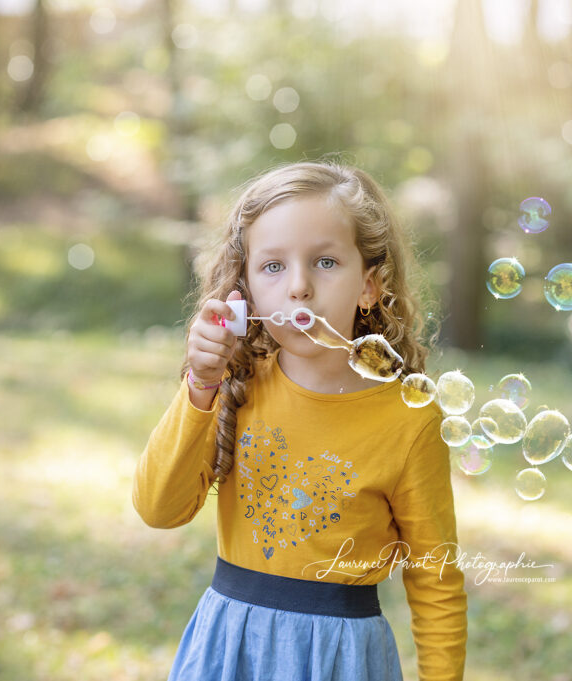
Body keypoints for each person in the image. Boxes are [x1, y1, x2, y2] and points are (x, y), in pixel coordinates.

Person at [133, 161, 467, 681]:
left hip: (341, 662)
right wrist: (200, 385)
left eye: (326, 262)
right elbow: (159, 509)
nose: (299, 287)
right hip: (231, 651)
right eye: (272, 267)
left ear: (369, 286)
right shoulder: (235, 386)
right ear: (243, 290)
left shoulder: (409, 420)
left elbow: (435, 579)